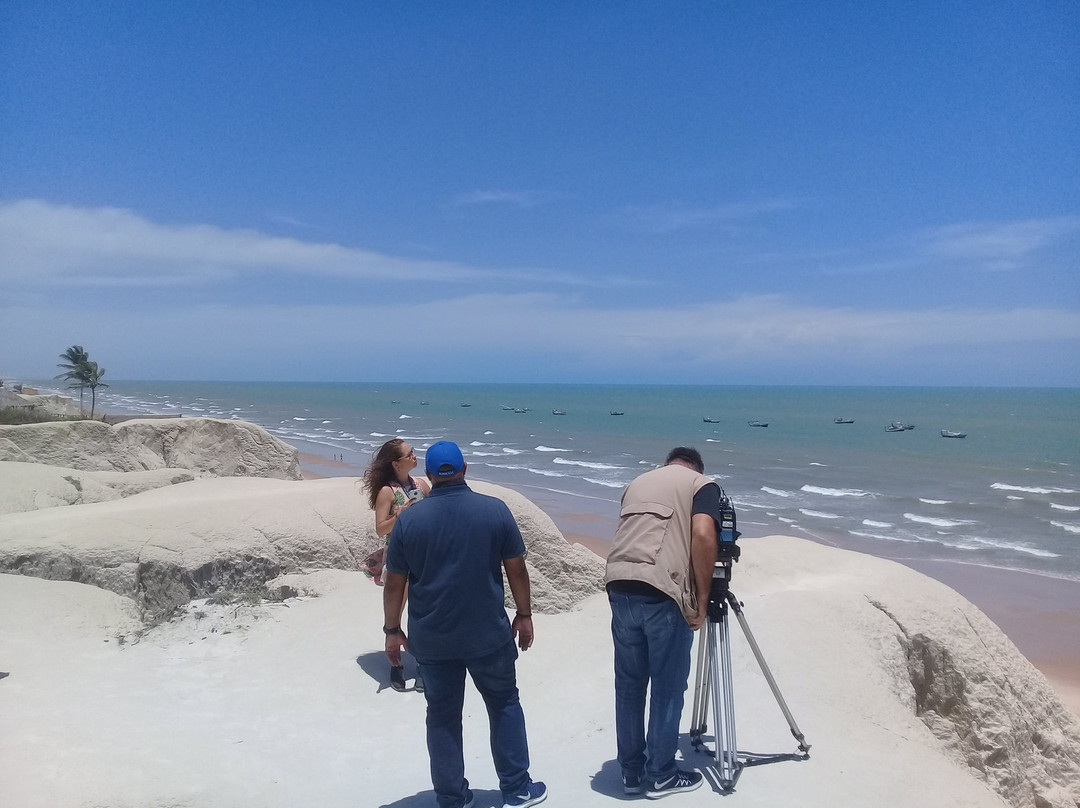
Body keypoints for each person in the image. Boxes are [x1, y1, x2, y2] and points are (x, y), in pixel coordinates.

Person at [383, 440, 547, 808]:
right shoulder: (494, 511)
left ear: (428, 476)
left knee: (441, 717)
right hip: (488, 634)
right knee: (504, 704)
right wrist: (524, 614)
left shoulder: (410, 519)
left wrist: (392, 630)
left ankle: (452, 797)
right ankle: (517, 788)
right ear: (465, 469)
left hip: (432, 638)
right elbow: (516, 568)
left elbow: (395, 581)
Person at [604, 446, 721, 799]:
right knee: (667, 688)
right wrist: (700, 600)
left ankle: (631, 773)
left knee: (629, 686)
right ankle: (661, 774)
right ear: (695, 468)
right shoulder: (703, 484)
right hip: (662, 593)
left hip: (619, 584)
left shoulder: (637, 482)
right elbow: (702, 534)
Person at [362, 438, 431, 691]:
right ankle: (396, 664)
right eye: (410, 454)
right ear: (396, 463)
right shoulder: (387, 492)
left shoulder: (422, 484)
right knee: (395, 613)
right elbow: (380, 529)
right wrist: (401, 514)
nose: (415, 456)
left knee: (422, 611)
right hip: (399, 557)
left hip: (424, 555)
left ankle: (423, 663)